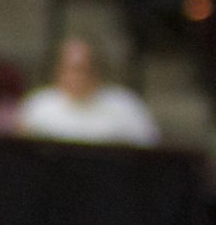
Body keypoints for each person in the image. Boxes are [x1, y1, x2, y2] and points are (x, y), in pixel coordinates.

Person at [17, 34, 159, 146]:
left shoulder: (126, 106)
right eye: (71, 69)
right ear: (58, 71)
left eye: (83, 69)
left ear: (98, 70)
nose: (77, 77)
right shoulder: (38, 106)